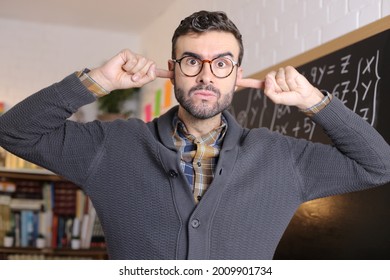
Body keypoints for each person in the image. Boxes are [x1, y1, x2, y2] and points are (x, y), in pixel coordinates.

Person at [0, 10, 389, 260]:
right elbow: (13, 132)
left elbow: (378, 165)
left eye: (221, 63)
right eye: (192, 61)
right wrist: (98, 81)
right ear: (173, 69)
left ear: (237, 76)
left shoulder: (283, 159)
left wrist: (314, 100)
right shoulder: (109, 146)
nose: (205, 75)